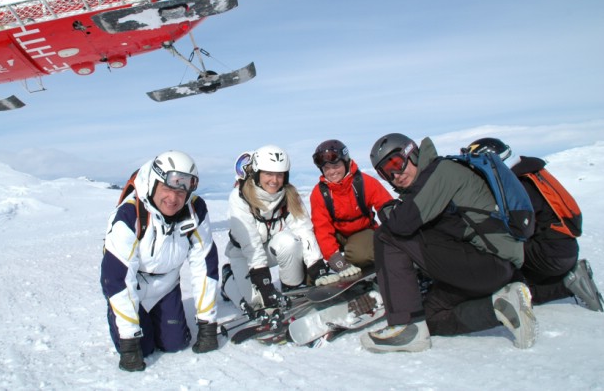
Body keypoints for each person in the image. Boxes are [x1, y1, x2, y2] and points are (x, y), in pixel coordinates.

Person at [362, 133, 538, 353]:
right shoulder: (427, 183)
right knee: (431, 318)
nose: (395, 174)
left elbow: (401, 224)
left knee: (387, 236)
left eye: (396, 163)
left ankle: (406, 327)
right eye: (386, 172)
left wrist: (389, 212)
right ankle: (500, 306)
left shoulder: (442, 172)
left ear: (412, 153)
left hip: (490, 263)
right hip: (492, 268)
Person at [100, 150, 220, 372]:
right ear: (154, 183)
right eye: (167, 188)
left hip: (166, 287)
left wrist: (207, 323)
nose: (173, 199)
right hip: (131, 287)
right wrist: (128, 340)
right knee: (142, 349)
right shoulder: (129, 215)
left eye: (181, 192)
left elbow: (205, 266)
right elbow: (117, 279)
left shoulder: (195, 211)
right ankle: (123, 319)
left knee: (175, 344)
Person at [465, 137, 604, 312]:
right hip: (561, 248)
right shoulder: (528, 173)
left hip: (550, 254)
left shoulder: (518, 184)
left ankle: (567, 283)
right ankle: (566, 280)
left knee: (510, 283)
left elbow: (519, 226)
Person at [221, 144, 339, 312]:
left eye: (279, 175)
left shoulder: (289, 195)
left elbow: (304, 230)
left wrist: (317, 267)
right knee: (255, 304)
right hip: (244, 255)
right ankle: (228, 281)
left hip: (269, 249)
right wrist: (264, 284)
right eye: (268, 173)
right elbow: (251, 243)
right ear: (257, 173)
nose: (274, 180)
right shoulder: (240, 197)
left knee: (289, 241)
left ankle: (292, 289)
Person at [309, 139, 393, 277]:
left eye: (336, 166)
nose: (331, 172)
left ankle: (363, 259)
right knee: (311, 246)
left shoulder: (364, 182)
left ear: (346, 162)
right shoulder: (319, 194)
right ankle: (315, 275)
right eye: (326, 168)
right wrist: (336, 260)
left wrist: (399, 236)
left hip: (363, 232)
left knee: (360, 254)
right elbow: (322, 229)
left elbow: (386, 207)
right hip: (336, 236)